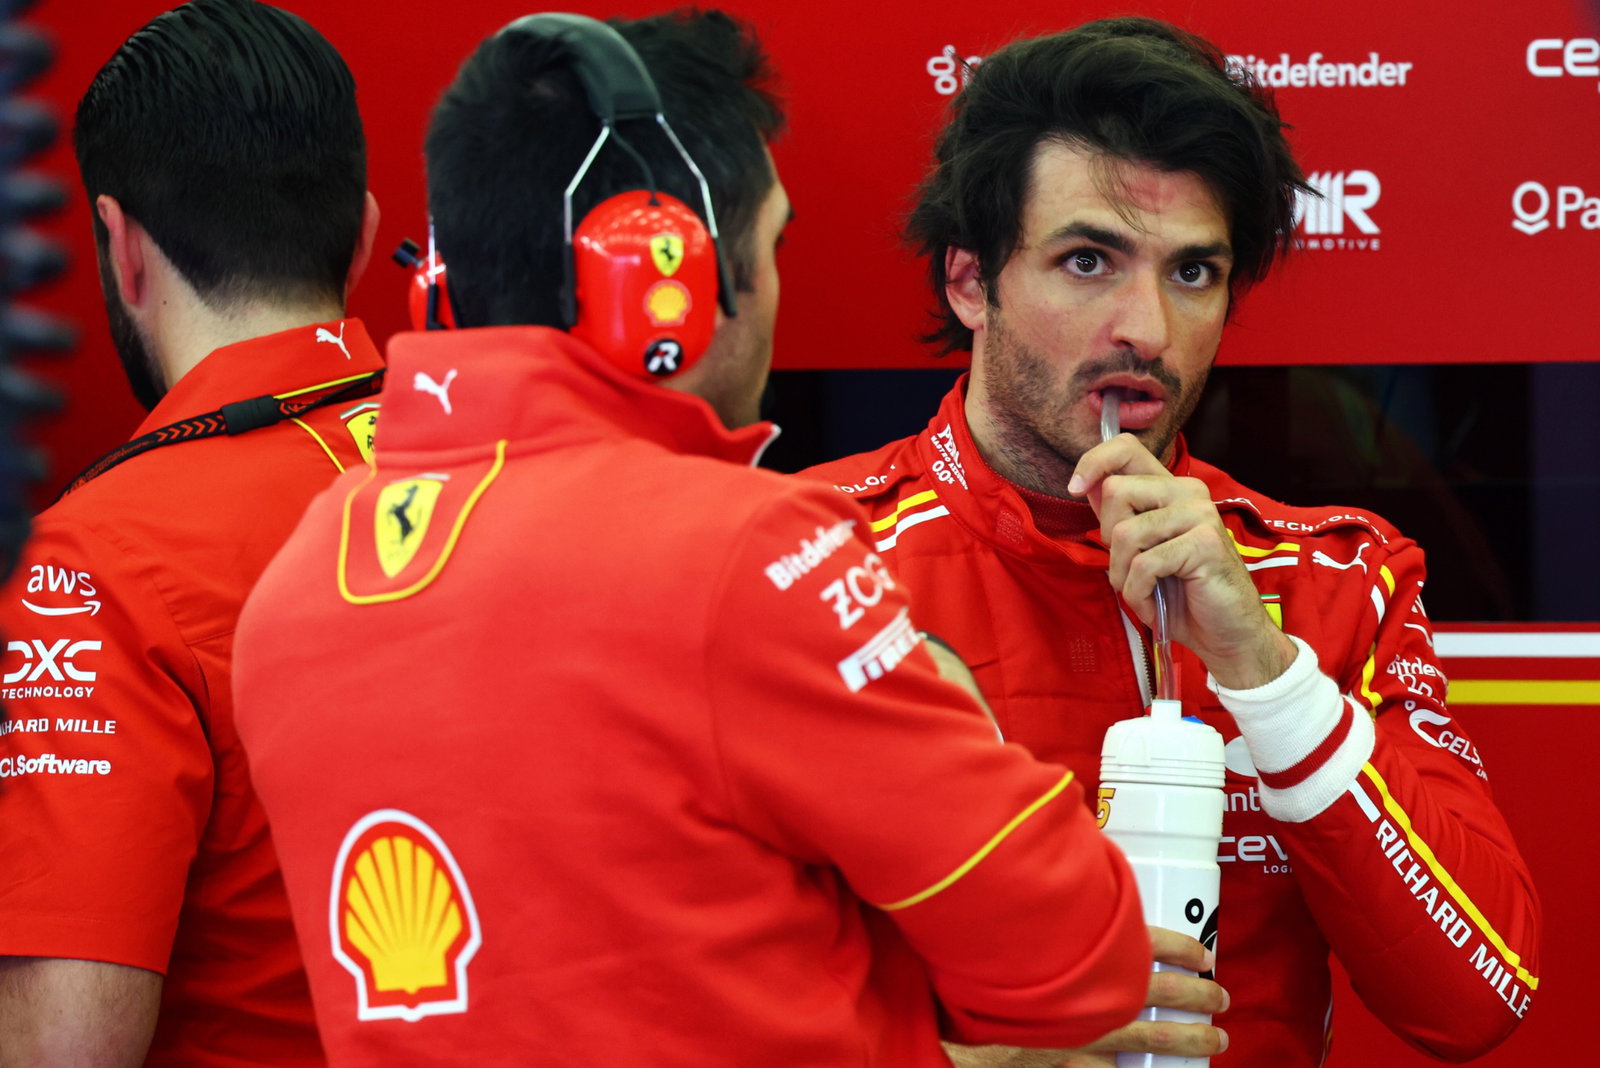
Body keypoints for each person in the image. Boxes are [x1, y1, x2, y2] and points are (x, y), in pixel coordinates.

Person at [230, 10, 1153, 1065]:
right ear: (656, 276)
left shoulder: (296, 580)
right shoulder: (740, 552)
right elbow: (1076, 960)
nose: (770, 297)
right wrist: (938, 691)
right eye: (769, 248)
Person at [803, 17, 1542, 1067]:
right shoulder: (798, 560)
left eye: (1192, 273)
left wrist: (1263, 672)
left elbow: (1477, 999)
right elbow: (657, 992)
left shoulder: (1332, 578)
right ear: (971, 283)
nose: (1146, 327)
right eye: (1088, 259)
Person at [0, 1, 382, 1062]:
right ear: (360, 230)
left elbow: (64, 1048)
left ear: (121, 247)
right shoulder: (527, 472)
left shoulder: (96, 564)